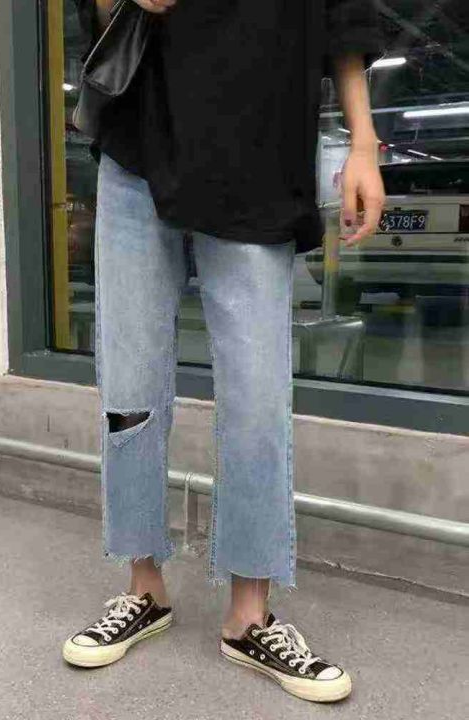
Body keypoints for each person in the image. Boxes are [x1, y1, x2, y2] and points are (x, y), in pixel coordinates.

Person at [62, 0, 385, 703]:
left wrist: (363, 142)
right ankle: (143, 587)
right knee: (130, 385)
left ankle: (249, 616)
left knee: (257, 400)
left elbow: (345, 15)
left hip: (259, 155)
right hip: (139, 148)